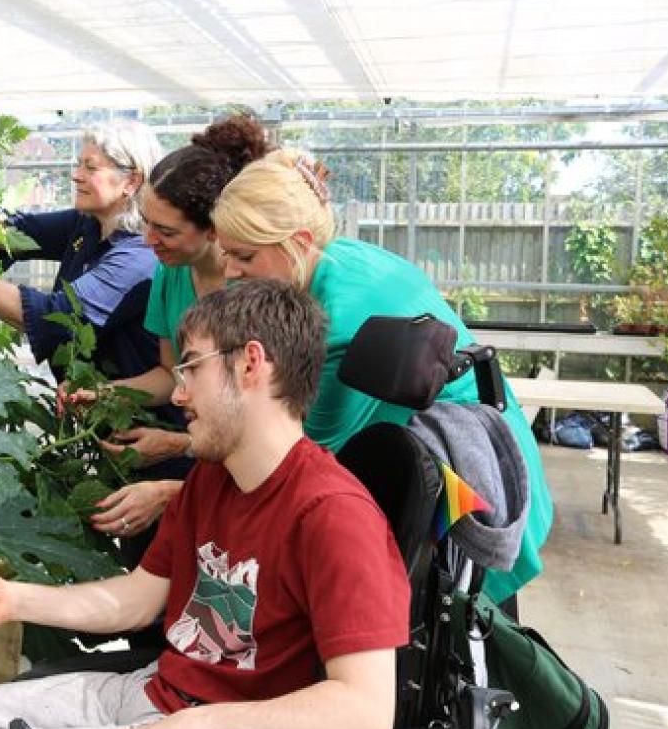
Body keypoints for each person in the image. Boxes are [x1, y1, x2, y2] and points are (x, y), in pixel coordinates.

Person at [0, 280, 410, 729]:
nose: (177, 393)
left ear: (250, 363)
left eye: (192, 368)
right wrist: (12, 598)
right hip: (159, 692)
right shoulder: (212, 478)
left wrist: (194, 726)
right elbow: (138, 599)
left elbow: (365, 714)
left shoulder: (333, 514)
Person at [209, 148, 553, 605]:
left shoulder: (340, 322)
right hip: (455, 440)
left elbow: (304, 457)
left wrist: (188, 485)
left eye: (244, 256)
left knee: (462, 630)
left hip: (466, 477)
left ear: (299, 239)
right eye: (226, 254)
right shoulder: (334, 257)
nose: (230, 271)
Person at [0, 121, 189, 565]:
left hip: (156, 435)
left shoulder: (139, 258)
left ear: (132, 180)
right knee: (131, 546)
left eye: (90, 166)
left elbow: (56, 318)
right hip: (103, 420)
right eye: (77, 163)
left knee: (157, 558)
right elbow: (15, 232)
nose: (76, 174)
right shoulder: (87, 226)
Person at [72, 115, 271, 544]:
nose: (148, 240)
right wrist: (107, 395)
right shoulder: (171, 273)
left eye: (165, 231)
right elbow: (170, 374)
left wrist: (178, 454)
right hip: (206, 447)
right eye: (146, 222)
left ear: (214, 230)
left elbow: (270, 431)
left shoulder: (257, 289)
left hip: (252, 463)